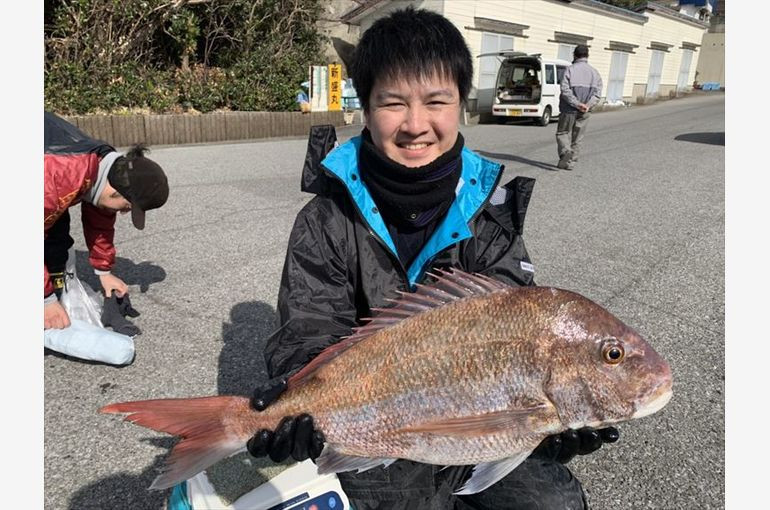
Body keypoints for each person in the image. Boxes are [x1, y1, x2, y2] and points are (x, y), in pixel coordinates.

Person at [246, 8, 618, 509]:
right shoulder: (325, 220)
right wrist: (296, 402)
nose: (415, 125)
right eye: (393, 103)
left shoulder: (491, 213)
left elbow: (517, 325)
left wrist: (547, 423)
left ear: (461, 105)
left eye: (436, 101)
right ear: (366, 107)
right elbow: (309, 327)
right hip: (374, 418)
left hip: (483, 417)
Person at [44, 111, 169, 331]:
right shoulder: (60, 176)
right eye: (126, 207)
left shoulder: (104, 167)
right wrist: (45, 302)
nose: (122, 213)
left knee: (55, 230)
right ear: (115, 192)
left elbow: (100, 220)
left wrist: (104, 272)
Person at [556, 44, 603, 170]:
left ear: (574, 55)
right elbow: (598, 94)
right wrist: (587, 105)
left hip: (569, 109)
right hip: (585, 111)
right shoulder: (595, 73)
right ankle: (571, 163)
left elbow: (565, 90)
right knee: (578, 137)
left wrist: (576, 103)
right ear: (587, 55)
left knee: (563, 132)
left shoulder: (570, 70)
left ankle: (565, 152)